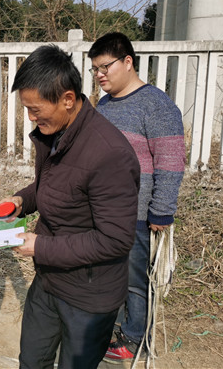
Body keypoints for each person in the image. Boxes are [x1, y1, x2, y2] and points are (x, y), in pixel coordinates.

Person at [0, 44, 140, 369]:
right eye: (26, 109)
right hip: (49, 281)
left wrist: (39, 246)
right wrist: (21, 200)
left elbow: (115, 239)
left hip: (89, 296)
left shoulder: (109, 154)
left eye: (35, 109)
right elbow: (56, 187)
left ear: (68, 99)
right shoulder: (56, 133)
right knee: (32, 361)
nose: (31, 118)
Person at [88, 32, 186, 363]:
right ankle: (112, 328)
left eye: (105, 66)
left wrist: (162, 211)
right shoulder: (105, 104)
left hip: (138, 213)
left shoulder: (157, 105)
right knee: (108, 274)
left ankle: (135, 340)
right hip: (104, 210)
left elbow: (170, 162)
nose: (100, 74)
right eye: (95, 69)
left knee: (134, 280)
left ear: (128, 61)